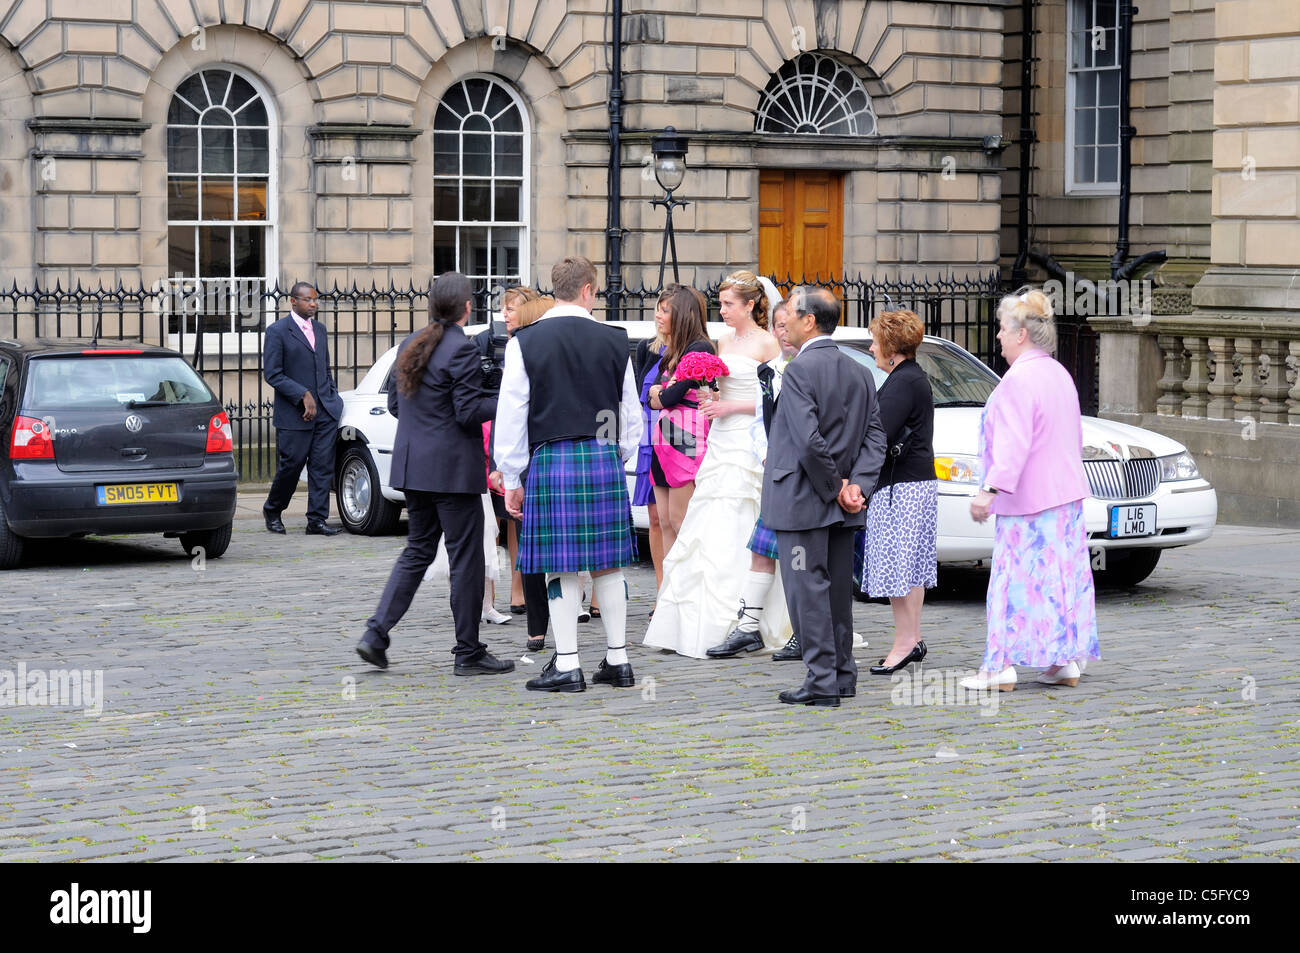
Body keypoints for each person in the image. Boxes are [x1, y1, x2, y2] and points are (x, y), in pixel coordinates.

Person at [354, 272, 514, 677]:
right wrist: (503, 400)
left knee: (417, 551)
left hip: (414, 466)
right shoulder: (460, 349)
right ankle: (468, 651)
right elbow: (467, 412)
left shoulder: (412, 343)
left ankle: (376, 634)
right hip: (451, 472)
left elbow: (395, 404)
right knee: (467, 558)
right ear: (466, 308)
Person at [495, 256, 642, 693]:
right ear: (589, 290)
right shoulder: (615, 341)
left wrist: (511, 475)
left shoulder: (525, 342)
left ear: (554, 289)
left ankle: (567, 664)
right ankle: (618, 660)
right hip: (602, 456)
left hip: (553, 458)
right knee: (608, 565)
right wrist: (617, 456)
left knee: (560, 567)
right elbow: (629, 413)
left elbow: (512, 413)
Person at [643, 270, 793, 659]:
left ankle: (748, 618)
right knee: (703, 523)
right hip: (719, 438)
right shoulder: (720, 343)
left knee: (741, 516)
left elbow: (780, 398)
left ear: (750, 305)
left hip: (748, 438)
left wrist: (732, 406)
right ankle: (693, 620)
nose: (722, 310)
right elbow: (703, 386)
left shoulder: (768, 345)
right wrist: (708, 395)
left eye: (729, 304)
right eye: (722, 303)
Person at [961, 288, 1100, 692]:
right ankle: (1062, 661)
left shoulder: (1018, 380)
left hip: (1027, 502)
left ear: (1021, 334)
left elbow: (1013, 443)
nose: (999, 337)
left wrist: (989, 489)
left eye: (1003, 329)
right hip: (1064, 497)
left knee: (1011, 581)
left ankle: (999, 666)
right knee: (1059, 581)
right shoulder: (1058, 373)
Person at [763, 286, 886, 707]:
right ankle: (841, 674)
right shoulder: (860, 370)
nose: (785, 323)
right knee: (834, 592)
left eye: (791, 315)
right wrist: (856, 487)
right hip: (842, 502)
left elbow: (808, 442)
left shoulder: (799, 370)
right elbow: (875, 439)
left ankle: (820, 680)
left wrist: (839, 489)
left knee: (806, 591)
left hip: (805, 501)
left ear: (809, 321)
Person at [705, 291, 800, 660]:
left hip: (797, 474)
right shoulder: (772, 368)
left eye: (786, 326)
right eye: (778, 326)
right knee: (761, 548)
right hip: (766, 465)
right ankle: (747, 629)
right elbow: (765, 419)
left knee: (800, 557)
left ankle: (803, 630)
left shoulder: (801, 367)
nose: (782, 334)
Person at [856, 309, 938, 674]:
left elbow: (879, 434)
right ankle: (912, 638)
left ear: (891, 347)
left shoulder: (903, 381)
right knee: (910, 568)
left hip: (901, 486)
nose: (872, 348)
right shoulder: (909, 377)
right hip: (913, 483)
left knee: (898, 569)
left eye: (875, 341)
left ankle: (905, 642)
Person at [489, 295, 555, 652]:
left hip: (539, 455)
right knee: (530, 542)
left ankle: (539, 629)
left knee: (541, 543)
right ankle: (536, 625)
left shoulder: (526, 347)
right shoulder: (519, 348)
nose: (506, 317)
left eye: (513, 311)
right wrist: (503, 465)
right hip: (529, 455)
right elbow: (509, 410)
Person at [262, 282, 344, 536]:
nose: (313, 304)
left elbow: (325, 367)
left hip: (325, 412)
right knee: (292, 466)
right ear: (293, 302)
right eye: (308, 300)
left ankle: (316, 520)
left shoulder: (320, 329)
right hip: (294, 414)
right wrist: (302, 394)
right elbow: (273, 374)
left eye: (316, 300)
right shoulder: (277, 331)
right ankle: (273, 509)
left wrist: (332, 396)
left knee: (322, 467)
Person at [478, 286, 538, 615]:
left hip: (531, 435)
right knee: (510, 518)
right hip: (505, 435)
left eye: (512, 308)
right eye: (504, 308)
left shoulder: (531, 342)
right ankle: (517, 587)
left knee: (530, 517)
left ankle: (531, 584)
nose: (506, 314)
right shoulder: (500, 346)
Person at [647, 285, 715, 556]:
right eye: (659, 310)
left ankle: (689, 591)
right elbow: (650, 398)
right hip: (663, 438)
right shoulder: (671, 351)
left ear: (683, 314)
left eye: (665, 311)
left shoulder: (700, 348)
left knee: (681, 520)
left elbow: (668, 397)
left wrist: (661, 393)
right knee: (664, 521)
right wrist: (661, 394)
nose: (658, 316)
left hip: (685, 439)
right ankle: (669, 594)